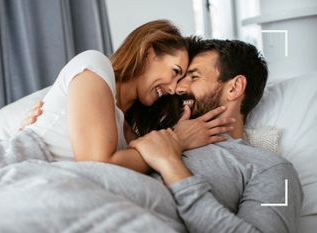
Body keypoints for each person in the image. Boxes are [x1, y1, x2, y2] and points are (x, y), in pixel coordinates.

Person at [129, 37, 303, 233]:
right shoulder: (158, 134)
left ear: (234, 87)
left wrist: (171, 164)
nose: (179, 88)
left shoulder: (272, 169)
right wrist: (176, 139)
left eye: (194, 77)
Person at [22, 20, 234, 173]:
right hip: (20, 169)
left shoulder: (126, 130)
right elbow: (97, 165)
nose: (172, 89)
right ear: (149, 53)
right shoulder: (95, 65)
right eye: (175, 72)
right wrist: (177, 141)